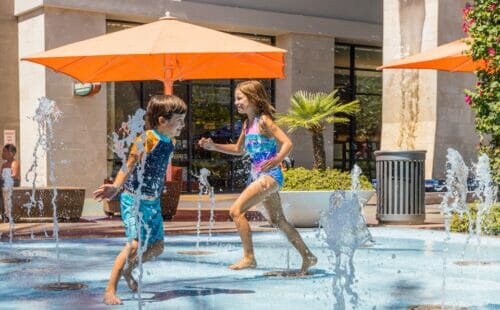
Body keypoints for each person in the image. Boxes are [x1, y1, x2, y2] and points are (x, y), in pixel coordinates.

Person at [198, 80, 317, 274]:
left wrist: (278, 158)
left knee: (236, 211)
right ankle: (308, 256)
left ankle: (249, 257)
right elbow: (238, 149)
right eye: (235, 99)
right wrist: (213, 146)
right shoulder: (247, 124)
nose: (236, 102)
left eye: (239, 98)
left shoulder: (264, 121)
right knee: (278, 221)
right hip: (263, 176)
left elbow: (287, 142)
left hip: (270, 175)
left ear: (253, 99)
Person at [93, 95, 187, 305]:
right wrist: (116, 187)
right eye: (179, 120)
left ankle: (129, 269)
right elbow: (130, 164)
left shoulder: (170, 141)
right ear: (163, 120)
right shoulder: (147, 138)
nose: (183, 125)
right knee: (134, 245)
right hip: (134, 200)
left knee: (157, 246)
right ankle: (110, 289)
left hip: (152, 202)